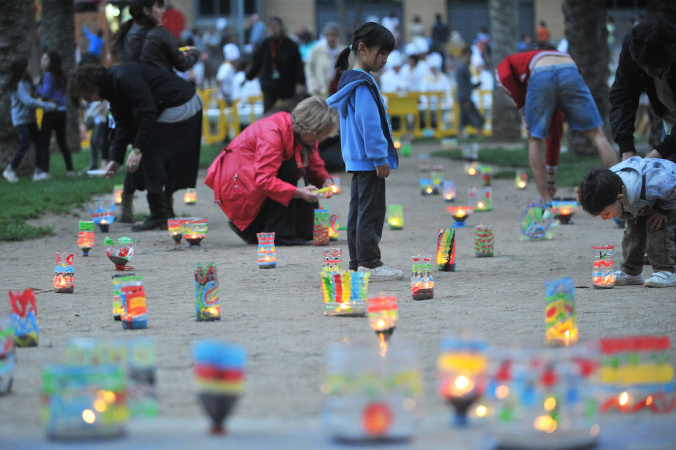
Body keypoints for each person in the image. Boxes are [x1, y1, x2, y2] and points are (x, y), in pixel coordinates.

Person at [68, 62, 203, 231]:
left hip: (182, 102)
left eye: (86, 97)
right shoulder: (111, 86)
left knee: (149, 151)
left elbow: (148, 110)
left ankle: (159, 213)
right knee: (149, 148)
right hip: (167, 106)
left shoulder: (123, 79)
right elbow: (122, 124)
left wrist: (138, 149)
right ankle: (164, 213)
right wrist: (116, 160)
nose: (89, 101)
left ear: (91, 86)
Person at [112, 0, 202, 224]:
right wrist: (194, 54)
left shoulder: (127, 32)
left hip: (135, 99)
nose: (164, 10)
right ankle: (163, 207)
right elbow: (180, 65)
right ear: (146, 9)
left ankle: (128, 206)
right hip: (163, 99)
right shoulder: (160, 33)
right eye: (159, 6)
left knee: (139, 151)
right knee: (161, 153)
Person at [204, 97, 338, 246]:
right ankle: (276, 232)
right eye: (317, 134)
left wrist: (325, 180)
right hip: (240, 190)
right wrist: (300, 192)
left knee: (306, 232)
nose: (319, 139)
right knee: (289, 166)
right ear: (307, 126)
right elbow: (264, 179)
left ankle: (276, 231)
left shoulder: (305, 135)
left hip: (256, 188)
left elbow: (314, 164)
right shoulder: (273, 132)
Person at [327, 22, 402, 281]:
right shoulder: (363, 85)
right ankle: (370, 264)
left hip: (358, 160)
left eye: (387, 55)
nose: (383, 60)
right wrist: (379, 157)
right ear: (362, 49)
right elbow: (369, 125)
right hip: (370, 161)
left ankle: (357, 262)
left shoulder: (350, 82)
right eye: (381, 53)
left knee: (358, 212)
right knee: (370, 212)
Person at [496, 49, 619, 203]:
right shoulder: (552, 56)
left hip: (540, 72)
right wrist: (550, 179)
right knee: (597, 135)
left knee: (535, 138)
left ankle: (546, 200)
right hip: (569, 69)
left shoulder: (512, 62)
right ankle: (620, 196)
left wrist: (523, 110)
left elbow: (503, 76)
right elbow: (555, 132)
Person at [578, 157, 676, 287]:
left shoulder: (652, 184)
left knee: (656, 227)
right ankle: (631, 272)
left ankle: (666, 271)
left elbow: (672, 187)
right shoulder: (609, 186)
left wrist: (661, 210)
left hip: (668, 200)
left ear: (620, 198)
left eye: (606, 213)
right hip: (643, 203)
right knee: (633, 232)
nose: (604, 218)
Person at [609, 18, 676, 162]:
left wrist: (656, 155)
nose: (648, 71)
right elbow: (623, 96)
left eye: (654, 66)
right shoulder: (632, 49)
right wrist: (627, 152)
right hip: (671, 120)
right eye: (643, 66)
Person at [2, 57, 56, 183]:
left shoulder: (26, 82)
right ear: (22, 68)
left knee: (39, 143)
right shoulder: (18, 85)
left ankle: (38, 172)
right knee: (25, 143)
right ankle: (10, 169)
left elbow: (32, 96)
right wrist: (49, 106)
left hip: (30, 119)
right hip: (21, 120)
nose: (30, 67)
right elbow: (28, 102)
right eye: (27, 66)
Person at [245, 16, 306, 112]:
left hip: (287, 85)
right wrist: (248, 76)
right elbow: (257, 62)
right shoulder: (265, 44)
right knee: (268, 111)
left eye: (276, 26)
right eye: (271, 26)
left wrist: (300, 83)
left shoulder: (291, 45)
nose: (273, 28)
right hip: (269, 84)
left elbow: (298, 65)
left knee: (289, 110)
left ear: (281, 27)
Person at [37, 51, 75, 178]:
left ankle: (45, 171)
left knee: (45, 142)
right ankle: (70, 170)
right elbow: (65, 98)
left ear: (52, 62)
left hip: (50, 113)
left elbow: (46, 94)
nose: (43, 62)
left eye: (46, 59)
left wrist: (36, 87)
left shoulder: (48, 76)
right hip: (61, 112)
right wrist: (58, 100)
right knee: (62, 142)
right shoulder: (62, 76)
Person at [305, 22, 342, 98]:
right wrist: (313, 86)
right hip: (320, 91)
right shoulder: (317, 50)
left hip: (338, 92)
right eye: (328, 35)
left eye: (333, 35)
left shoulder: (343, 52)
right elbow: (309, 69)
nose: (331, 38)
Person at [456, 46, 484, 139]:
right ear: (463, 56)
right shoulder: (461, 69)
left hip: (464, 97)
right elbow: (462, 86)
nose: (469, 59)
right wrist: (466, 99)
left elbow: (467, 85)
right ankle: (480, 135)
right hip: (464, 98)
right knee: (475, 117)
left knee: (463, 118)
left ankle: (459, 135)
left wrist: (476, 85)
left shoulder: (465, 68)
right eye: (468, 56)